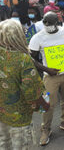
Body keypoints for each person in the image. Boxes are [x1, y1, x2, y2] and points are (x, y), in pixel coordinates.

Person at [0, 19, 49, 149]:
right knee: (19, 145)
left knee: (4, 143)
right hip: (19, 116)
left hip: (2, 112)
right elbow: (31, 92)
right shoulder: (22, 59)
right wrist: (45, 105)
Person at [29, 12, 64, 146]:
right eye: (46, 23)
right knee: (49, 104)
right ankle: (46, 129)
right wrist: (46, 69)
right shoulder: (37, 37)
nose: (48, 26)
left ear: (58, 21)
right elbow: (31, 58)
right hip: (50, 76)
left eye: (51, 23)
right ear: (43, 23)